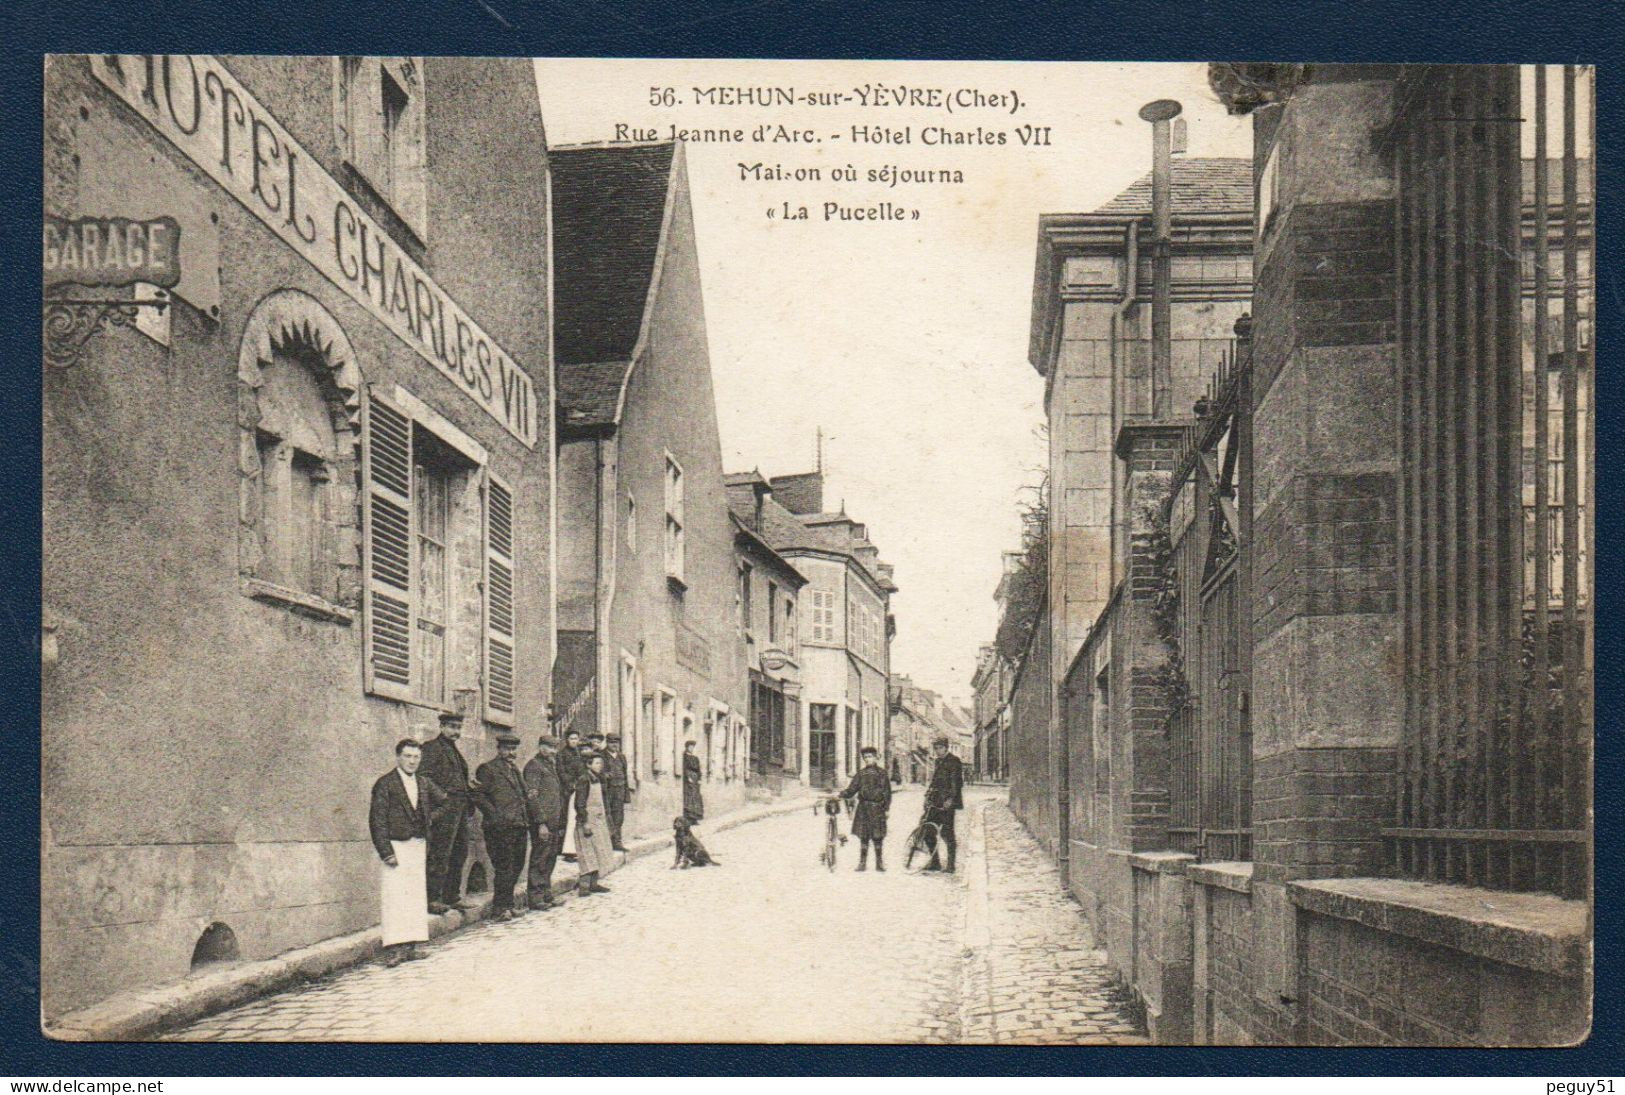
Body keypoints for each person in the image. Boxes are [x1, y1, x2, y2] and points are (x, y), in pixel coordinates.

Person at [369, 739, 445, 966]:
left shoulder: (423, 782)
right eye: (408, 756)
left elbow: (445, 802)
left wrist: (429, 819)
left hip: (418, 845)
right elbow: (377, 821)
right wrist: (386, 852)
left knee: (414, 895)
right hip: (396, 846)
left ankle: (412, 946)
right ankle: (395, 948)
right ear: (398, 757)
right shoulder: (386, 784)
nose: (412, 761)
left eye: (416, 757)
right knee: (395, 897)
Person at [472, 732, 532, 920]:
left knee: (517, 865)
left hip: (518, 825)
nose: (511, 753)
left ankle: (508, 904)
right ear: (499, 749)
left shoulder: (515, 770)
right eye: (507, 749)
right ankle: (500, 908)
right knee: (504, 867)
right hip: (498, 827)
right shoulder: (488, 769)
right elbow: (478, 795)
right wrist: (495, 814)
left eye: (514, 749)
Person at [417, 711, 472, 914]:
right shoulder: (431, 748)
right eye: (452, 727)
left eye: (458, 728)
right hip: (444, 810)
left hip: (460, 809)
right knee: (440, 853)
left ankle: (452, 896)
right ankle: (432, 898)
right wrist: (443, 797)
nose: (456, 731)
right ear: (442, 727)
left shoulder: (454, 750)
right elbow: (424, 778)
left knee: (459, 852)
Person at [522, 734, 568, 911]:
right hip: (543, 822)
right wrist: (540, 822)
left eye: (555, 748)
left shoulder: (550, 766)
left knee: (550, 858)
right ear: (541, 746)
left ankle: (547, 894)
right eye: (549, 747)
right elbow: (532, 797)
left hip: (554, 822)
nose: (553, 752)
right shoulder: (534, 766)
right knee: (540, 858)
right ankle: (535, 897)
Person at [840, 745, 893, 872]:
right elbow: (852, 789)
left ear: (875, 758)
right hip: (863, 808)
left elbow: (887, 792)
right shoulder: (861, 774)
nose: (868, 759)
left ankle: (879, 863)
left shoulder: (882, 773)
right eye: (866, 757)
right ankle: (862, 863)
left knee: (878, 837)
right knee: (863, 836)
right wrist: (842, 794)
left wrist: (886, 809)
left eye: (870, 757)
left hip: (877, 808)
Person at [574, 752, 616, 896]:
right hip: (588, 821)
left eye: (601, 763)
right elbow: (579, 804)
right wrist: (584, 822)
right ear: (588, 764)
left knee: (598, 850)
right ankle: (584, 886)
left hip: (598, 820)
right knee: (587, 853)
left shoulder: (597, 779)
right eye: (597, 763)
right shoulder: (584, 780)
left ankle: (594, 883)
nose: (600, 766)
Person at [923, 736, 965, 873]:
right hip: (935, 802)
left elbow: (956, 783)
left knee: (947, 833)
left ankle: (951, 865)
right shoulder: (938, 762)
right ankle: (935, 862)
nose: (937, 751)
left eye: (940, 748)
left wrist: (951, 799)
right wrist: (927, 795)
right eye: (935, 748)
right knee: (928, 832)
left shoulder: (954, 761)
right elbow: (935, 782)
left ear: (946, 747)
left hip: (946, 803)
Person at [557, 728, 588, 863]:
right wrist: (570, 784)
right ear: (567, 740)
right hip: (566, 790)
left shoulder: (579, 754)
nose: (574, 741)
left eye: (576, 739)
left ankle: (574, 848)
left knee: (574, 818)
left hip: (577, 789)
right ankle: (563, 850)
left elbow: (582, 770)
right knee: (565, 818)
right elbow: (560, 771)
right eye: (571, 739)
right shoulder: (561, 754)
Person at [603, 733, 632, 851]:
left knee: (619, 817)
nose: (614, 745)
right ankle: (606, 842)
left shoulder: (621, 757)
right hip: (607, 791)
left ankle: (617, 842)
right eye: (611, 742)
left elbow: (625, 775)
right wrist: (605, 775)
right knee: (606, 815)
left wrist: (626, 793)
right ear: (607, 743)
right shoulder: (601, 755)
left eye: (616, 743)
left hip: (619, 791)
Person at [681, 739, 704, 823]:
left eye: (692, 747)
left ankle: (695, 819)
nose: (691, 748)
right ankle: (689, 818)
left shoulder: (695, 758)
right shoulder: (685, 757)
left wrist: (699, 779)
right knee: (689, 798)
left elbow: (698, 769)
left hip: (695, 779)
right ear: (687, 747)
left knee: (696, 797)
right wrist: (688, 777)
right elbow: (684, 768)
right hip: (689, 779)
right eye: (690, 747)